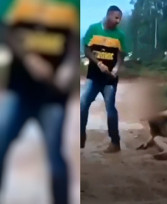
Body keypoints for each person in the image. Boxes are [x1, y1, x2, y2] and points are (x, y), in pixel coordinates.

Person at [0, 0, 79, 203]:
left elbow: (73, 44)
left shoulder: (70, 6)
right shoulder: (18, 4)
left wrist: (69, 69)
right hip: (19, 91)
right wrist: (29, 59)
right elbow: (7, 33)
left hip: (53, 96)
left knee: (55, 160)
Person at [81, 6, 128, 153]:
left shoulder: (120, 35)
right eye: (116, 17)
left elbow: (121, 55)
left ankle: (115, 142)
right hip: (94, 76)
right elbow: (87, 50)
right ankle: (80, 134)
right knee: (83, 103)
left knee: (110, 109)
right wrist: (98, 63)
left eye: (119, 18)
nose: (118, 21)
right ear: (108, 15)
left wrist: (116, 68)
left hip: (110, 80)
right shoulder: (93, 29)